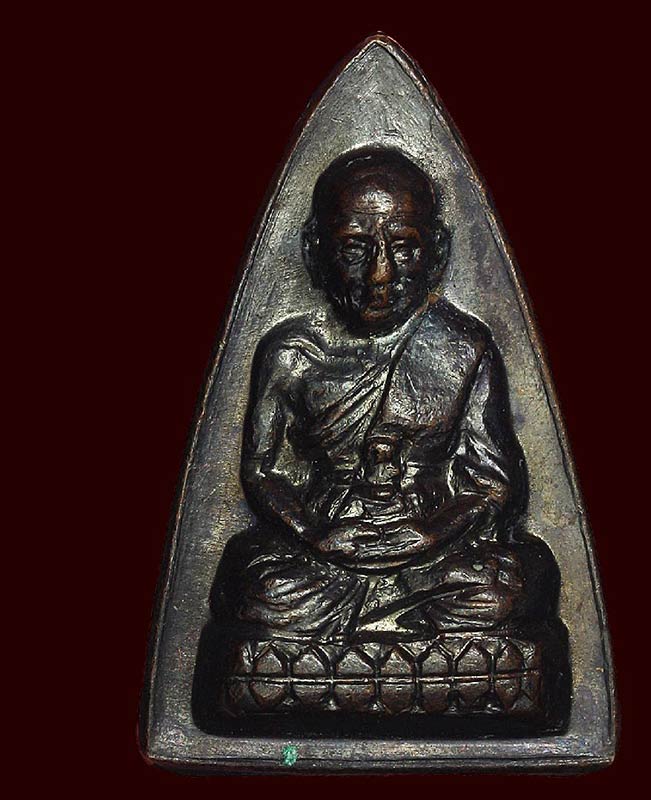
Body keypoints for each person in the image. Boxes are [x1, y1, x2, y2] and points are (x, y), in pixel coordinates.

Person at [210, 148, 559, 641]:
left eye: (403, 248)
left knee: (516, 582)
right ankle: (398, 631)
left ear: (437, 252)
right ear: (314, 251)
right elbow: (261, 471)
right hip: (327, 551)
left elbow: (494, 485)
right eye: (354, 248)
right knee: (254, 587)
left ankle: (375, 627)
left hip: (431, 554)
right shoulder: (291, 354)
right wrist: (314, 534)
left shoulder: (462, 348)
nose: (380, 274)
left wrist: (430, 534)